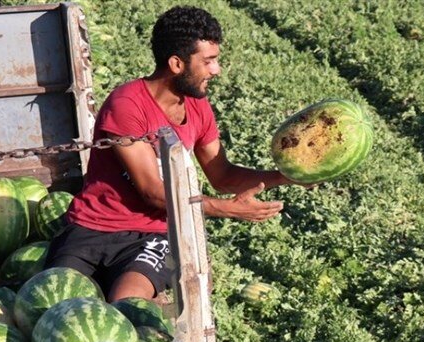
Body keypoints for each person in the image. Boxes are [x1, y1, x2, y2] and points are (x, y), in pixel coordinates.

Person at [45, 6, 298, 301]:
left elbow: (223, 175)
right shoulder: (127, 105)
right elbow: (153, 192)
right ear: (177, 63)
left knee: (128, 303)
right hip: (91, 226)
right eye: (208, 61)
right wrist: (226, 208)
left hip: (154, 234)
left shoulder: (196, 105)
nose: (216, 70)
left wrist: (287, 177)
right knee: (56, 304)